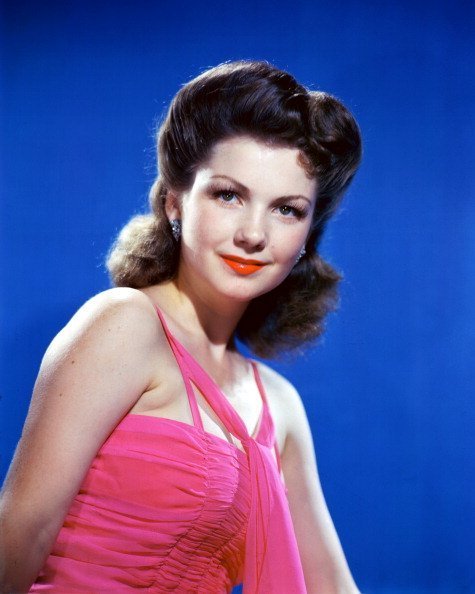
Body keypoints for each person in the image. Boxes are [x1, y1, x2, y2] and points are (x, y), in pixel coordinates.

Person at [0, 60, 362, 594]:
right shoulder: (124, 325)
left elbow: (331, 586)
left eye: (286, 209)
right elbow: (20, 531)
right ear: (175, 202)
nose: (254, 234)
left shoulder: (278, 407)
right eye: (228, 195)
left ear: (309, 233)